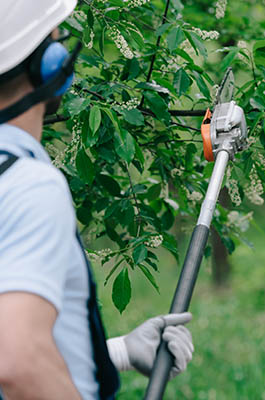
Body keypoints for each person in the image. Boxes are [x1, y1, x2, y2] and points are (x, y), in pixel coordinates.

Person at [0, 1, 194, 399]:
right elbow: (18, 361)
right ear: (47, 63)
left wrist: (118, 352)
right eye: (55, 38)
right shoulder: (28, 186)